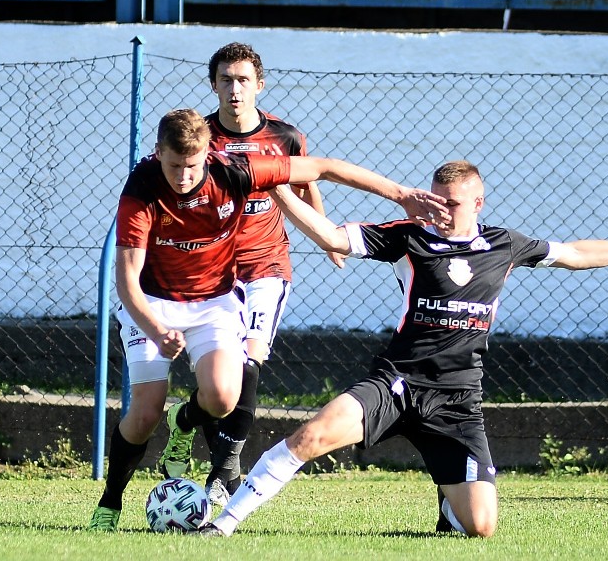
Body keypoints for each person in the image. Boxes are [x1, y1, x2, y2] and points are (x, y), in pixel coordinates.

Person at [195, 160, 608, 538]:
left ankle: (451, 502)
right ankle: (224, 523)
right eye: (439, 199)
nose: (446, 209)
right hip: (397, 382)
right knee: (310, 438)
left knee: (482, 527)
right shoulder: (408, 238)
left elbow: (575, 253)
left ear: (479, 203)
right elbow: (330, 237)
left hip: (457, 399)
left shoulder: (504, 245)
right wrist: (275, 188)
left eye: (456, 202)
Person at [88, 108, 449, 531]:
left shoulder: (235, 171)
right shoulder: (143, 188)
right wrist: (157, 330)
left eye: (191, 166)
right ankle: (110, 503)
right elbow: (127, 279)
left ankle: (182, 420)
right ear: (158, 153)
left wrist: (400, 194)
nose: (183, 177)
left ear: (208, 153)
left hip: (214, 301)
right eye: (173, 165)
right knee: (143, 414)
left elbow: (324, 168)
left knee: (223, 397)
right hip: (152, 304)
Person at [199, 42, 345, 507]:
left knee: (249, 362)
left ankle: (225, 466)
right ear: (214, 85)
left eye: (243, 80)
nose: (234, 89)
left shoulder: (285, 137)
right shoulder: (199, 138)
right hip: (211, 271)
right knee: (214, 381)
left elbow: (307, 185)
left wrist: (326, 238)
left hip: (267, 264)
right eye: (226, 79)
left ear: (259, 85)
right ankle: (189, 427)